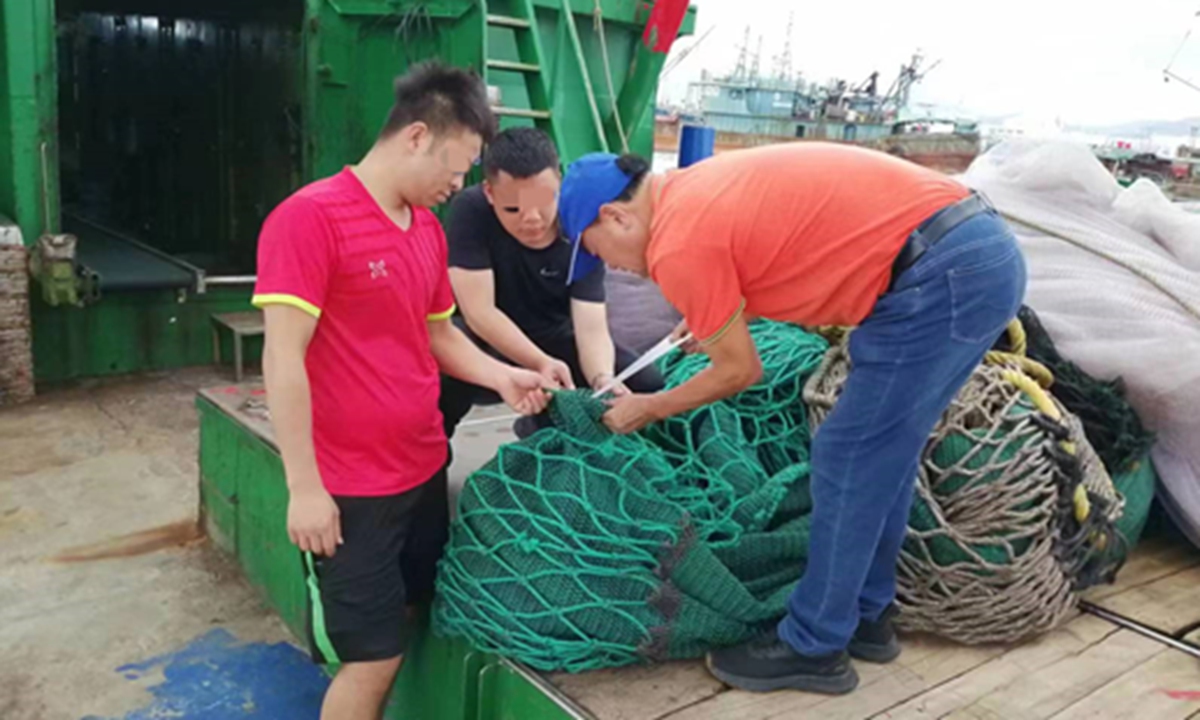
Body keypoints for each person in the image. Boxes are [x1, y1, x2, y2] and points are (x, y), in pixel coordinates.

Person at [556, 143, 1026, 695]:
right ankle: (868, 616)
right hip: (971, 252)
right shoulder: (688, 192)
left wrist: (649, 406)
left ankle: (814, 646)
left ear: (616, 216)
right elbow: (779, 244)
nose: (609, 266)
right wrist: (721, 312)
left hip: (939, 273)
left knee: (848, 453)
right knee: (882, 451)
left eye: (597, 251)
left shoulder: (677, 243)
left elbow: (738, 372)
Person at [252, 62, 549, 720]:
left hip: (421, 469)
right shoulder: (310, 219)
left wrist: (506, 374)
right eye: (459, 165)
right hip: (350, 491)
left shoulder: (426, 229)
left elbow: (439, 335)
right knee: (371, 657)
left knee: (409, 613)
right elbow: (283, 359)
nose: (460, 183)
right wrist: (304, 489)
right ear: (417, 136)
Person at [438, 126, 663, 441]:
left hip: (555, 339)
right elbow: (479, 312)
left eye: (542, 202)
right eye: (513, 208)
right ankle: (430, 461)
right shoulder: (471, 210)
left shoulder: (581, 220)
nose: (531, 219)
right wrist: (538, 363)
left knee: (647, 383)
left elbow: (591, 324)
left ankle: (538, 429)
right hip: (488, 340)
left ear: (558, 180)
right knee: (439, 361)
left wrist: (603, 377)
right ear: (489, 193)